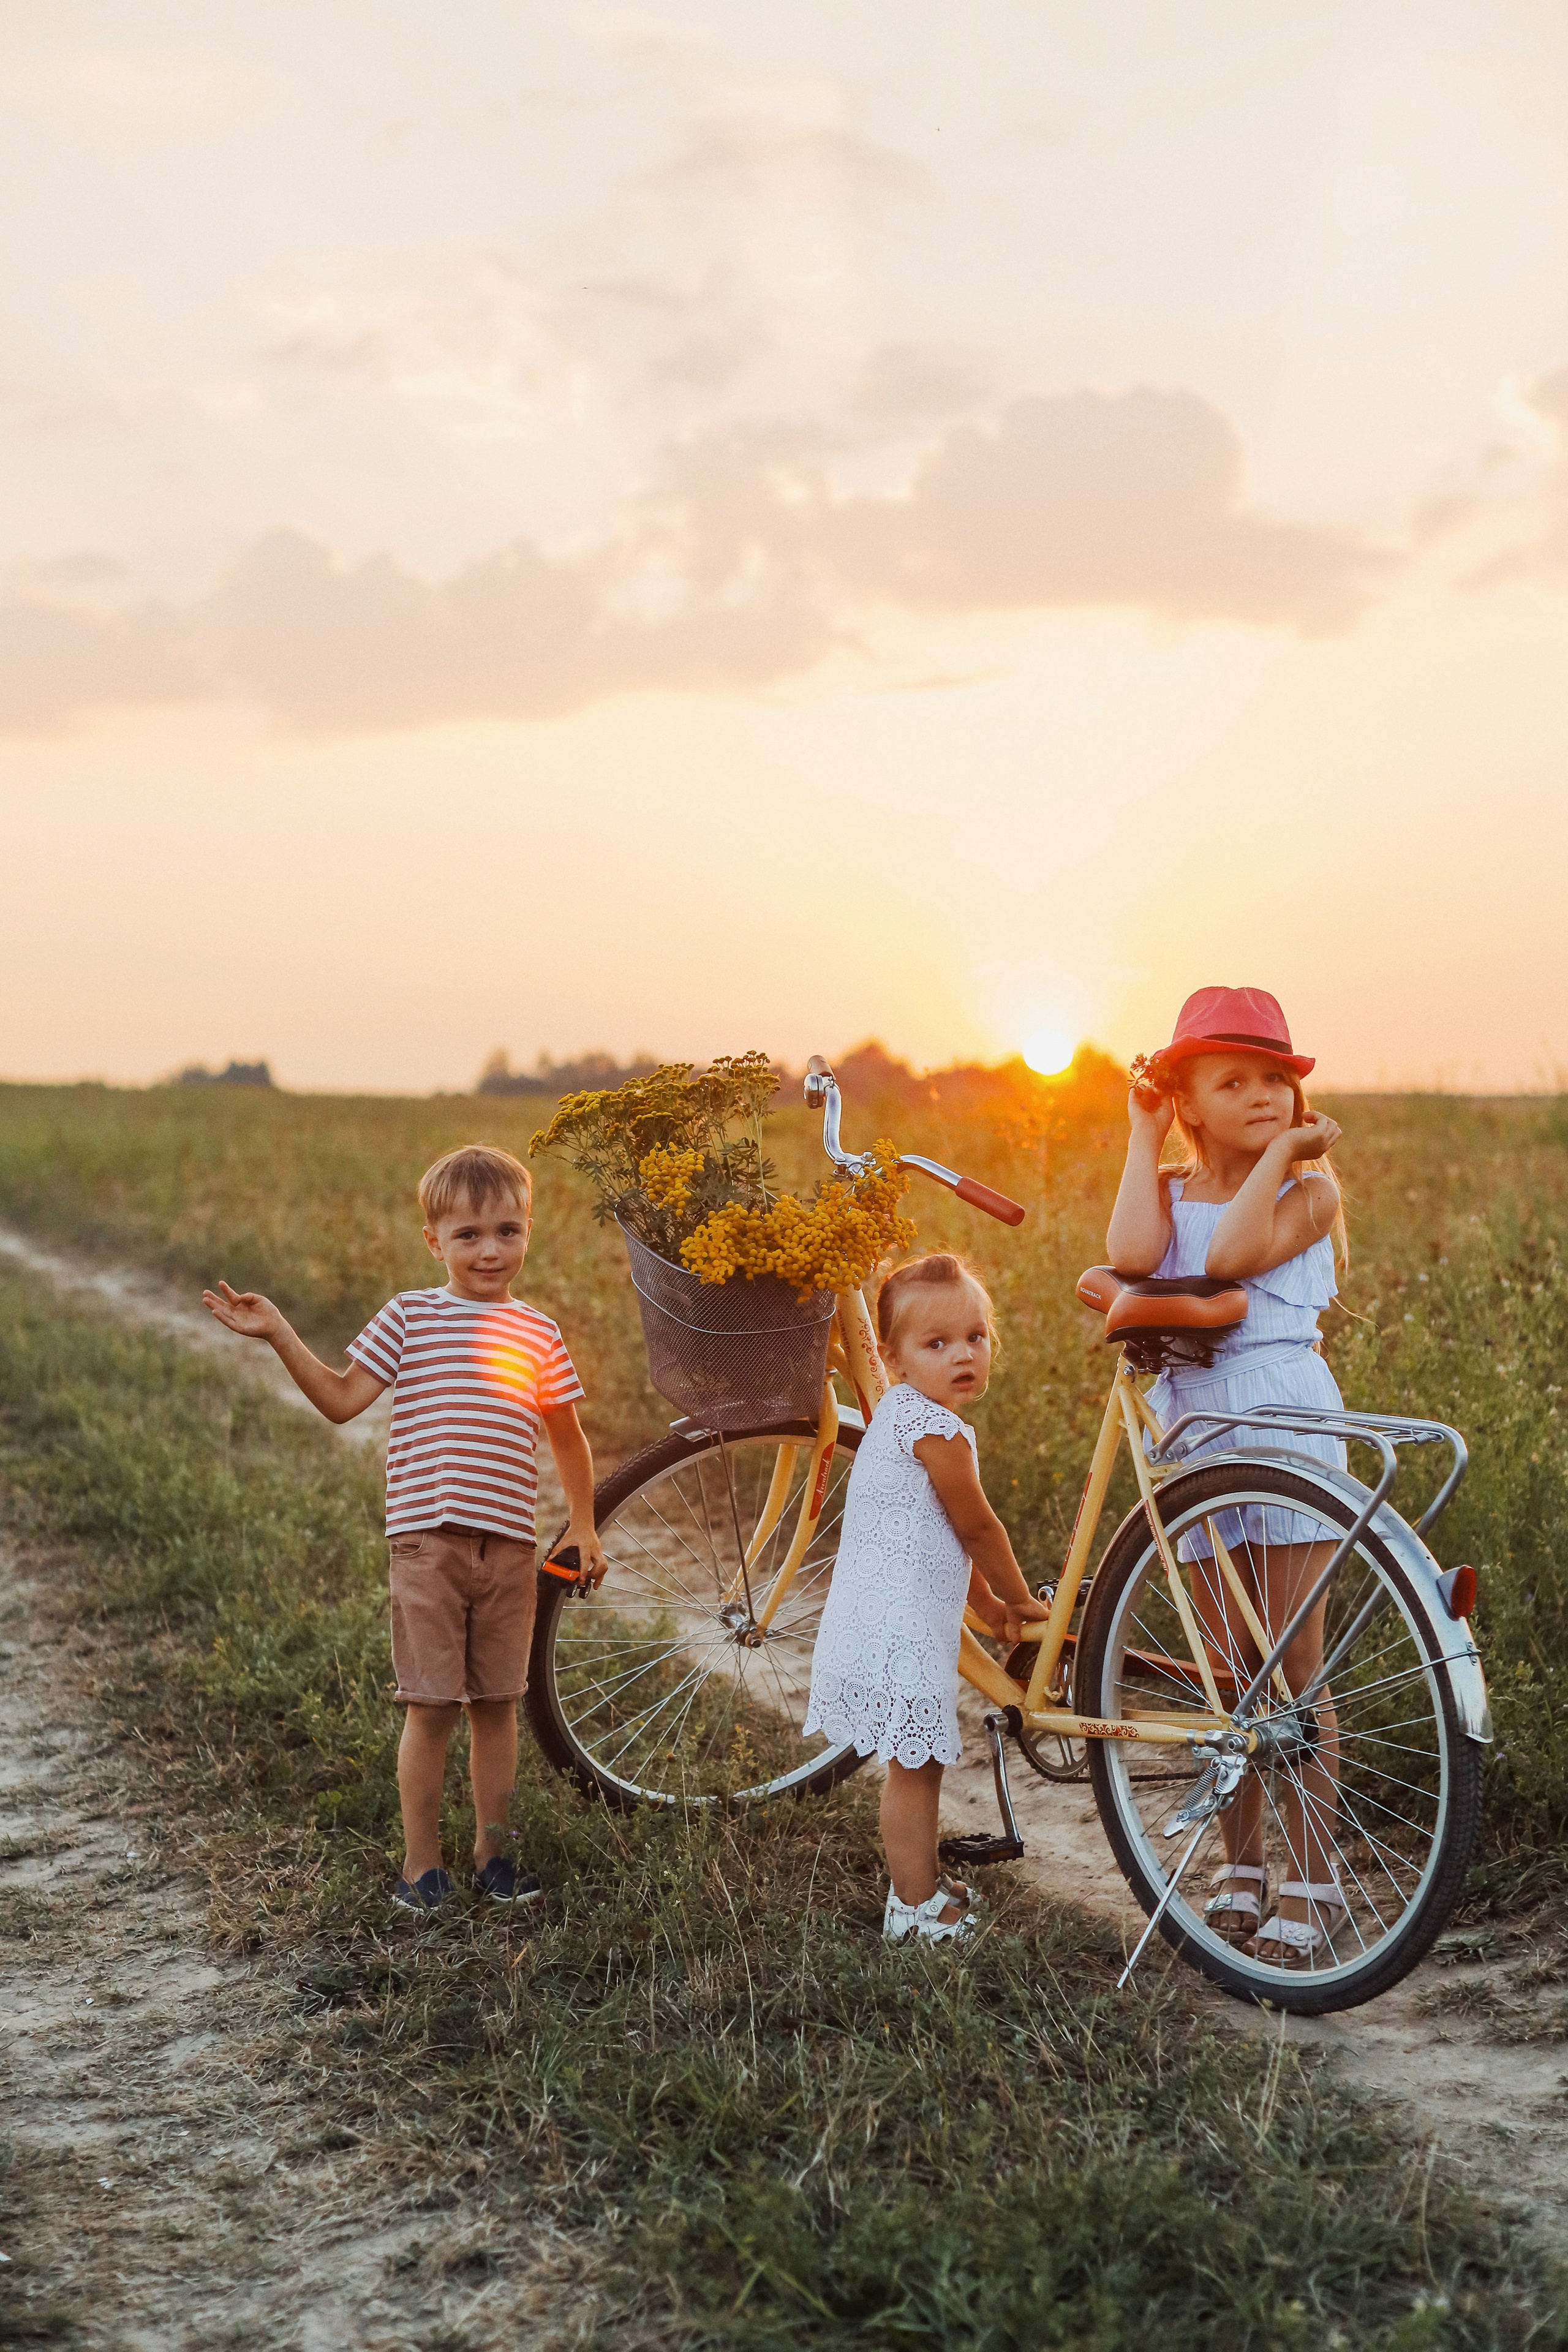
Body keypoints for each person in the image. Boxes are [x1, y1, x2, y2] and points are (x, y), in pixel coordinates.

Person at [202, 1142, 608, 1917]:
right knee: (432, 1708)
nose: (490, 1250)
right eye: (468, 1235)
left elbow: (567, 1437)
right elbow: (341, 1400)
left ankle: (495, 1855)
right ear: (434, 1241)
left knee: (497, 1703)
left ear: (529, 1230)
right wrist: (281, 1332)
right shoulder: (410, 1316)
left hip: (510, 1546)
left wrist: (583, 1525)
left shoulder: (538, 1332)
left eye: (508, 1231)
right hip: (427, 1544)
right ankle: (421, 1866)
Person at [1107, 985, 1348, 1967]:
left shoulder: (1308, 1191)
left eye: (1276, 1082)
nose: (1261, 1097)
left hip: (1284, 1412)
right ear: (1187, 1102)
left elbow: (1241, 1256)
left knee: (1294, 1669)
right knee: (1228, 1676)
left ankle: (1315, 1872)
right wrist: (1138, 1137)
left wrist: (1290, 1152)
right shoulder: (1167, 1190)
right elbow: (1128, 1255)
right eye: (1231, 1081)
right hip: (1194, 1425)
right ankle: (1241, 1862)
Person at [804, 1253, 1050, 1946]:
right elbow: (976, 1526)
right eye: (936, 1344)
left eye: (974, 1337)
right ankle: (913, 1908)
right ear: (895, 1357)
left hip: (885, 1615)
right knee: (914, 1771)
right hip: (898, 1626)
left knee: (916, 1764)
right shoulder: (936, 1432)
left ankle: (920, 1887)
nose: (962, 1355)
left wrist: (989, 1611)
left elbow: (939, 1532)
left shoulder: (902, 1413)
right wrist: (1017, 1594)